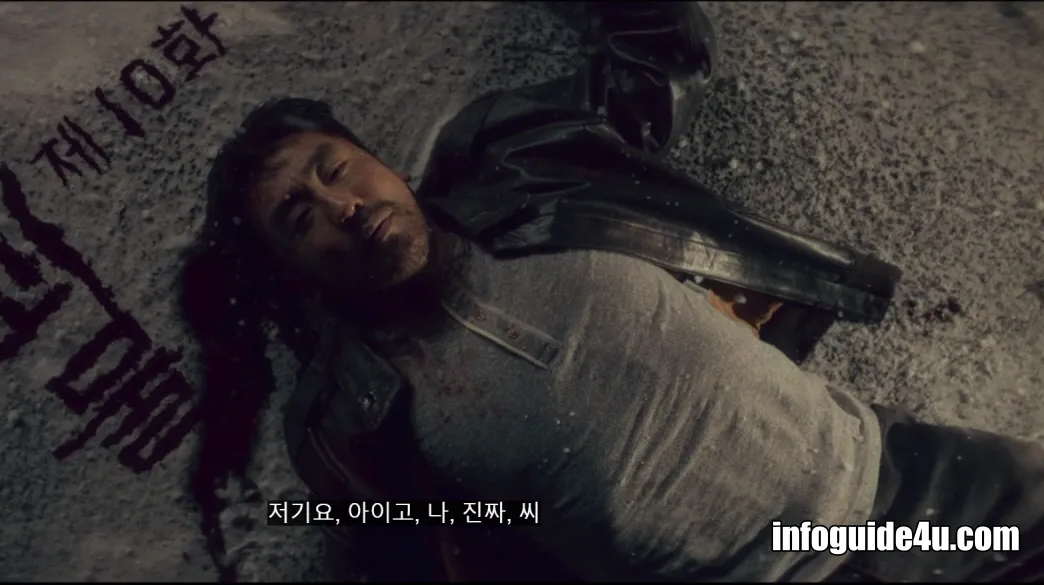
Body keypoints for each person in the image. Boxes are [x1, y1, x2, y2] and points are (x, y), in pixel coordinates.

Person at [188, 2, 1044, 581]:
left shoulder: (523, 163)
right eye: (299, 216)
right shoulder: (344, 421)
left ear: (375, 160)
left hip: (894, 487)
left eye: (336, 169)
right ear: (292, 270)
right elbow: (436, 551)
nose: (341, 206)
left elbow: (661, 48)